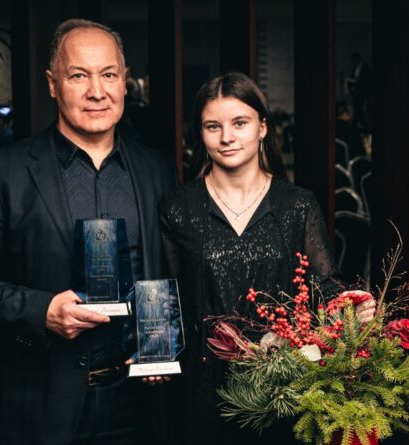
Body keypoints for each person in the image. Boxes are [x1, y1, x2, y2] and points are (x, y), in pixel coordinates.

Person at [0, 18, 177, 444]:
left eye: (109, 75)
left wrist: (163, 340)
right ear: (53, 84)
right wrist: (41, 310)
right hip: (40, 403)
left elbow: (165, 270)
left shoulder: (157, 169)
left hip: (140, 404)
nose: (97, 91)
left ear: (125, 81)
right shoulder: (3, 172)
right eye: (78, 76)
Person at [159, 72, 345, 444]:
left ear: (262, 127)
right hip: (202, 389)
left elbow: (325, 287)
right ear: (201, 134)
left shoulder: (297, 205)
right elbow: (166, 299)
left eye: (239, 123)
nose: (226, 137)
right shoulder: (177, 208)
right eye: (213, 126)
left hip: (283, 386)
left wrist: (352, 304)